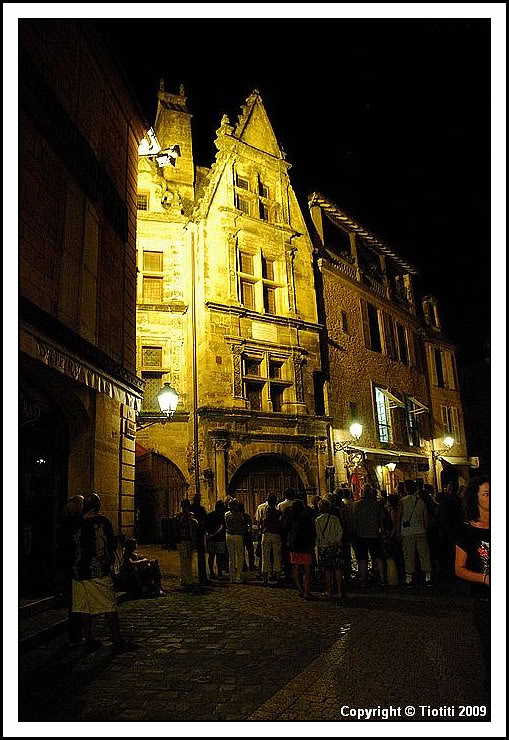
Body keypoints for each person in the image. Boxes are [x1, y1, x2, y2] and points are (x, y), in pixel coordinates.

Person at [72, 493, 136, 654]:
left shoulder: (76, 522)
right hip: (97, 570)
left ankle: (88, 638)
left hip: (78, 571)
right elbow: (110, 543)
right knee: (109, 605)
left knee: (84, 606)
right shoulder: (101, 521)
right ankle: (117, 639)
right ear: (96, 505)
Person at [455, 476, 490, 691]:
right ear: (475, 498)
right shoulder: (466, 530)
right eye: (486, 494)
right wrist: (484, 579)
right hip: (485, 600)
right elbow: (459, 568)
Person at [395, 479, 432, 587]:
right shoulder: (421, 501)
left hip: (407, 532)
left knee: (408, 554)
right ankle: (428, 576)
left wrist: (397, 531)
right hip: (421, 531)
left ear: (405, 489)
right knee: (424, 554)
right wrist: (426, 528)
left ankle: (409, 578)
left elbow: (398, 518)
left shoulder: (402, 501)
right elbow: (426, 518)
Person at [61, 495, 84, 644]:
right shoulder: (77, 524)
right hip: (74, 567)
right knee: (77, 603)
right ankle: (76, 635)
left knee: (75, 603)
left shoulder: (66, 523)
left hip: (72, 566)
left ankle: (76, 634)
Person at [352, 484, 385, 585]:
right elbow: (381, 520)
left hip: (361, 534)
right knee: (378, 556)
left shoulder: (356, 505)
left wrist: (354, 531)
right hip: (374, 534)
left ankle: (363, 580)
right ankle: (382, 578)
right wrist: (382, 531)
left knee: (362, 558)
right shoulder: (376, 505)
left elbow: (354, 520)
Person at [315, 498, 345, 599]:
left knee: (327, 570)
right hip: (336, 547)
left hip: (325, 547)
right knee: (337, 569)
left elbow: (319, 535)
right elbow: (340, 531)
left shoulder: (318, 520)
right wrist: (335, 542)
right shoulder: (335, 518)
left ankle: (329, 591)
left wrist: (326, 542)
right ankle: (340, 591)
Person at [287, 499, 315, 599]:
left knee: (296, 568)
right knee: (307, 570)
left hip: (294, 546)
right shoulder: (306, 518)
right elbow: (311, 532)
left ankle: (300, 589)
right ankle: (306, 591)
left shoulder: (291, 518)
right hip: (305, 546)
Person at [175, 499, 198, 588]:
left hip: (186, 539)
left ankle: (186, 578)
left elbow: (193, 528)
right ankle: (186, 578)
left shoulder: (189, 516)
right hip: (183, 539)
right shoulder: (182, 516)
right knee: (185, 560)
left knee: (187, 560)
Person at [261, 493, 282, 586]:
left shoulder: (265, 511)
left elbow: (263, 523)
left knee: (265, 557)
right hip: (276, 534)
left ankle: (265, 579)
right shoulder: (278, 512)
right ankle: (278, 578)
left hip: (267, 534)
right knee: (277, 556)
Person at [224, 498, 246, 584]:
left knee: (231, 557)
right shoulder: (240, 515)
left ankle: (232, 577)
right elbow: (243, 525)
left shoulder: (226, 515)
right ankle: (238, 576)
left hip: (229, 535)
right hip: (238, 535)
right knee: (240, 557)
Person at [277, 488, 296, 583]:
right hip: (295, 533)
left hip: (284, 533)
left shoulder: (281, 505)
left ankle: (287, 572)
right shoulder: (296, 504)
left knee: (285, 553)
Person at [206, 500, 227, 579]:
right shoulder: (222, 516)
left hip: (211, 538)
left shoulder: (210, 515)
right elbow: (222, 527)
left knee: (211, 556)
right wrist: (215, 534)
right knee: (219, 556)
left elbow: (206, 526)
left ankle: (211, 572)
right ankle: (219, 571)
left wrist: (209, 534)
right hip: (219, 539)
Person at [190, 493, 208, 585]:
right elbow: (205, 520)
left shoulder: (192, 509)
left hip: (194, 534)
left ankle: (192, 576)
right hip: (198, 534)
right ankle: (202, 577)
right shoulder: (200, 509)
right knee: (200, 556)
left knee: (192, 556)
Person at [237, 502, 255, 571]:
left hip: (241, 535)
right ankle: (251, 565)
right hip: (247, 535)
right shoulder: (246, 516)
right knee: (250, 551)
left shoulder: (237, 516)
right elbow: (249, 525)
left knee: (241, 552)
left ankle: (243, 565)